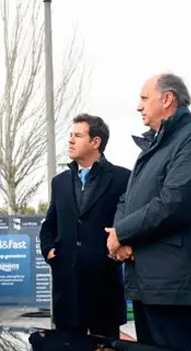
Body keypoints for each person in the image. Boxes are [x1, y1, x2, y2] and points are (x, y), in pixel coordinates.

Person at [107, 73, 191, 351]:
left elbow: (174, 203)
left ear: (167, 99)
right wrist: (120, 238)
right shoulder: (156, 145)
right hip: (147, 278)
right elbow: (128, 199)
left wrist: (122, 232)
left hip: (172, 282)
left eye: (144, 98)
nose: (138, 106)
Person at [40, 114, 130, 339]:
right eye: (70, 135)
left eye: (77, 135)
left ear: (95, 142)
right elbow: (49, 224)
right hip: (66, 292)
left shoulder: (123, 178)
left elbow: (129, 223)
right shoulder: (59, 182)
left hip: (104, 291)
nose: (70, 140)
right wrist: (50, 251)